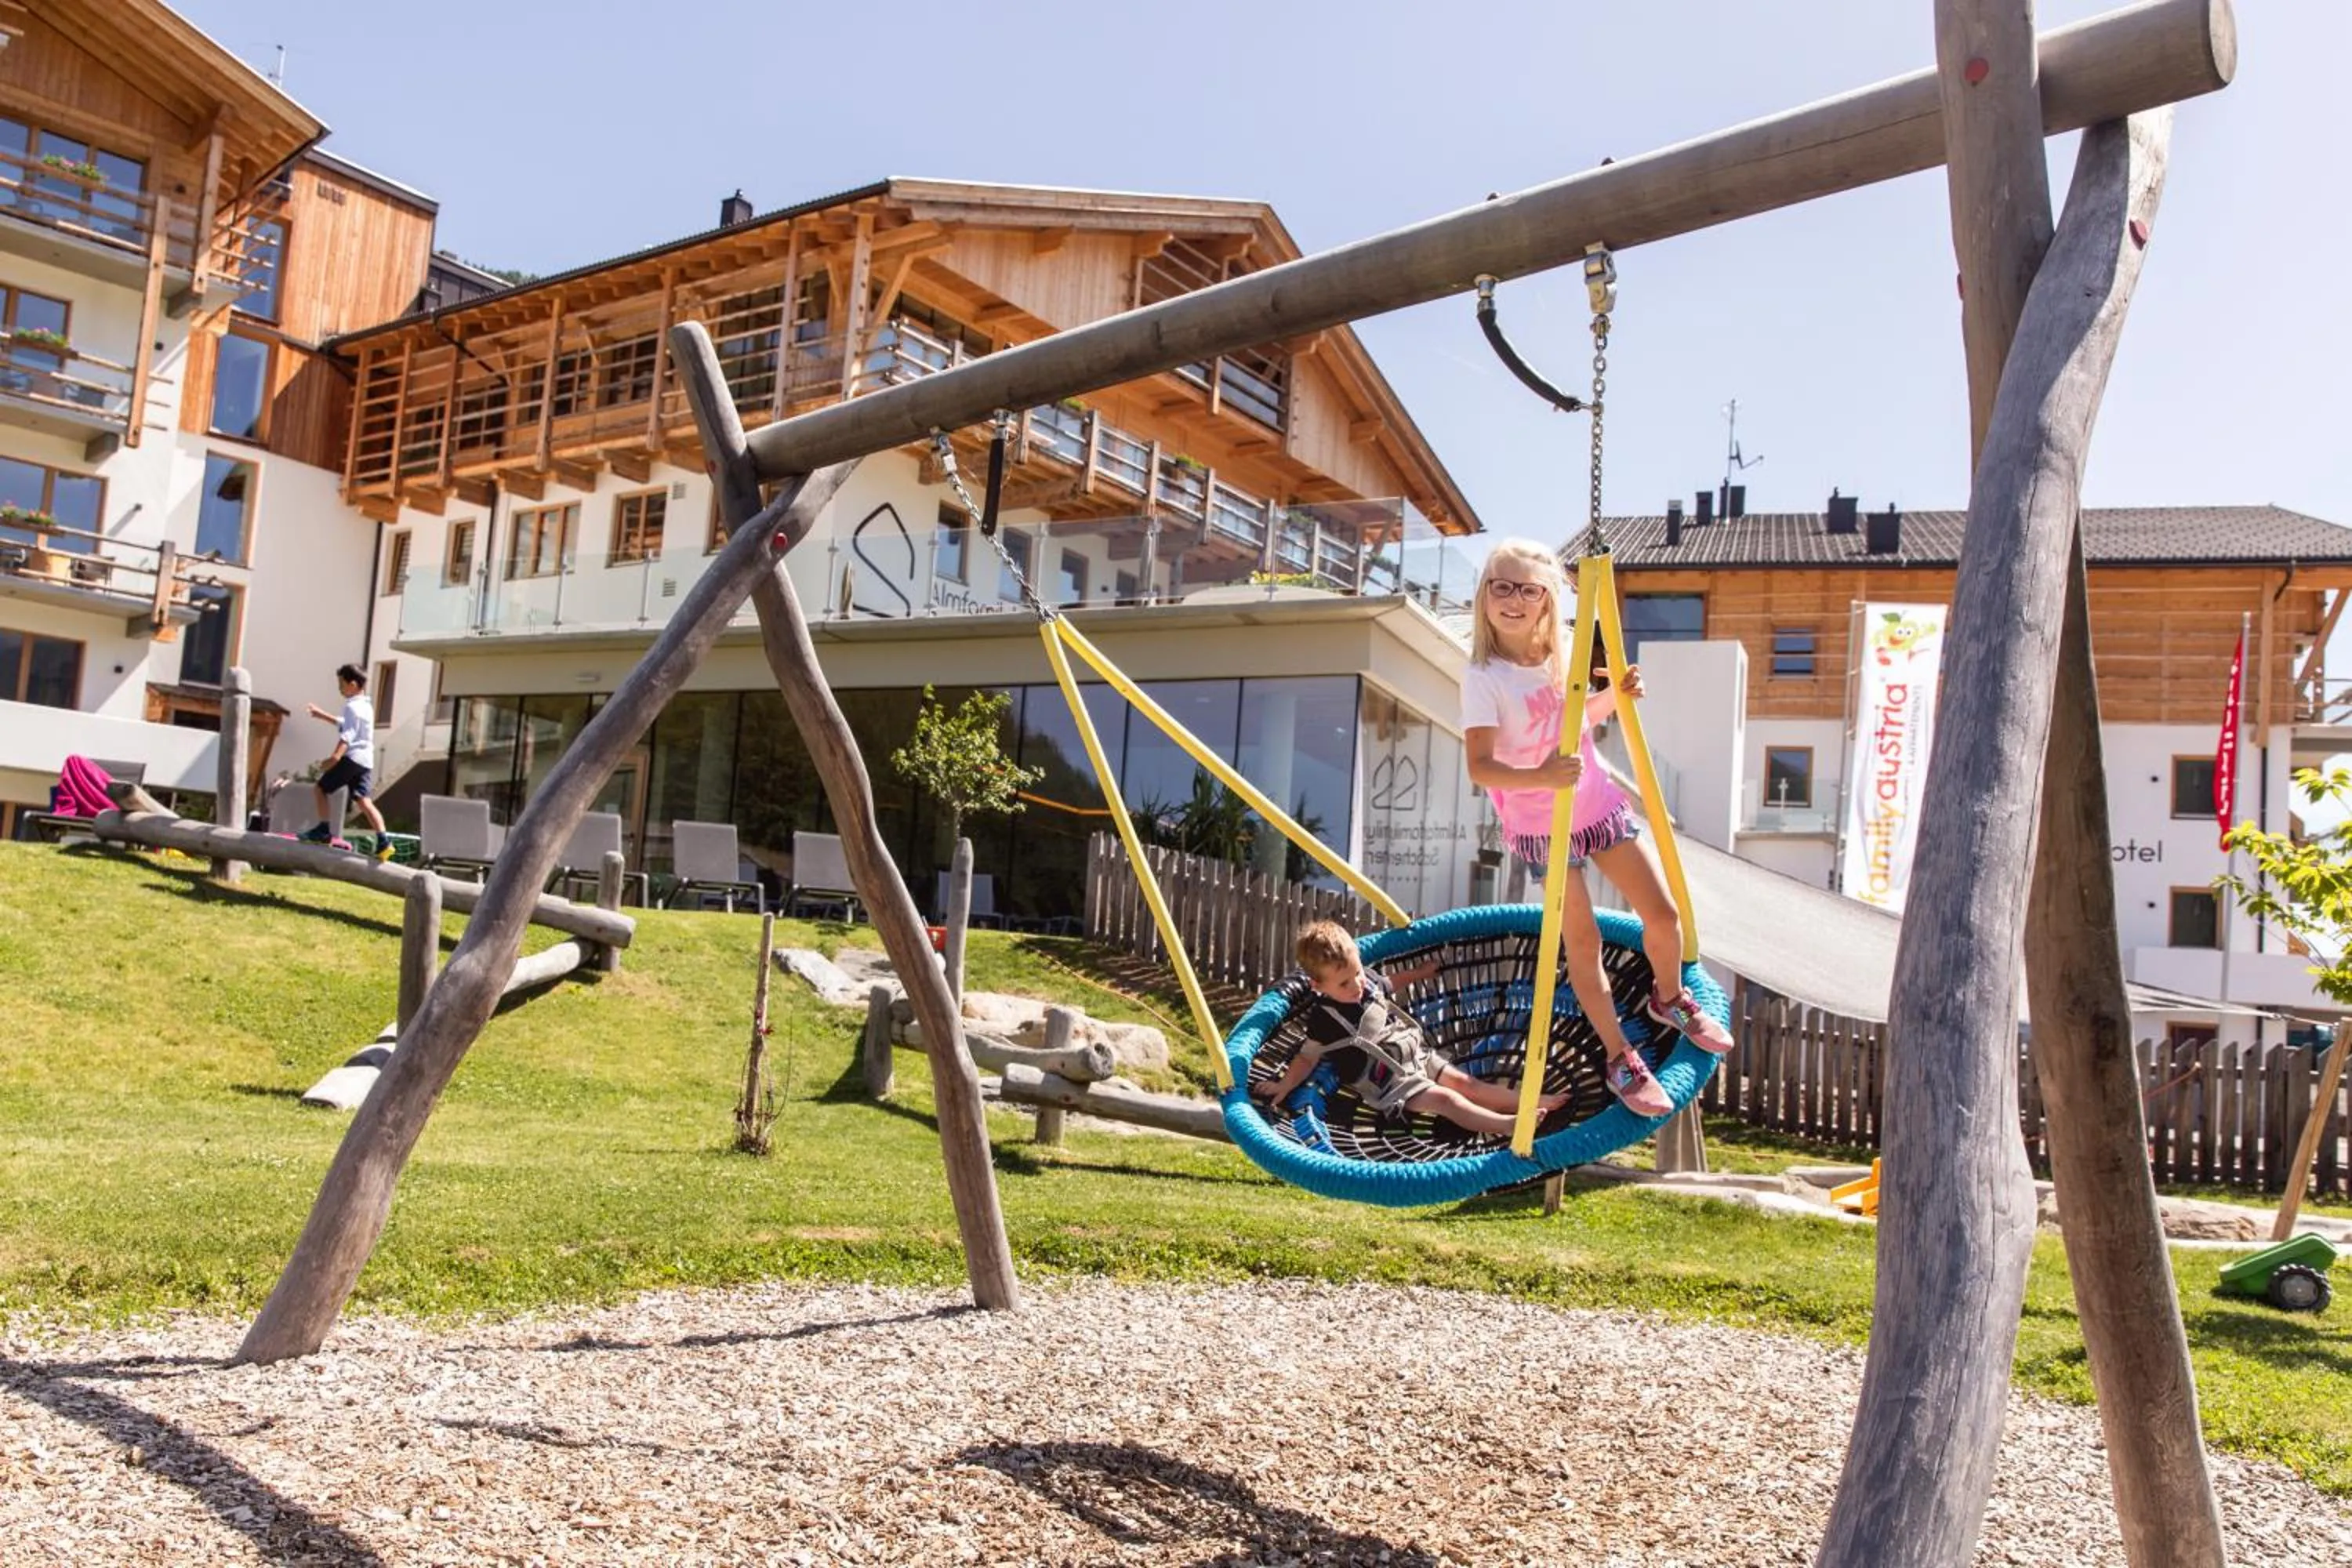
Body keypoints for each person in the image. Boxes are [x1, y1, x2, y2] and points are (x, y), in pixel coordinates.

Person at [1461, 539, 1734, 1118]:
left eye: (1528, 589)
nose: (1513, 599)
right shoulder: (1484, 677)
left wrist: (1615, 696)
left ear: (1547, 600)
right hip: (1542, 827)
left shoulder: (1562, 656)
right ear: (1484, 595)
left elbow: (1573, 718)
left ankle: (1668, 997)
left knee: (1663, 915)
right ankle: (1619, 1057)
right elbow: (1480, 766)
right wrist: (1540, 776)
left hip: (1597, 806)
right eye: (1501, 586)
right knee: (1582, 943)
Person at [1253, 920, 1573, 1139]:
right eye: (1344, 983)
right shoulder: (1325, 1019)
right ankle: (1507, 1126)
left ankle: (1535, 1101)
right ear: (1318, 986)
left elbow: (1391, 982)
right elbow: (1307, 1057)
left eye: (1357, 972)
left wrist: (1420, 972)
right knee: (1446, 1100)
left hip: (1413, 1054)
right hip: (1388, 1083)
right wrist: (1284, 1085)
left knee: (1467, 1083)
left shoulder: (1368, 982)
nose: (1357, 985)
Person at [301, 663, 391, 859]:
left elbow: (348, 735)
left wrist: (335, 757)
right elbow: (347, 724)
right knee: (364, 801)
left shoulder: (351, 707)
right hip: (365, 761)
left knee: (320, 789)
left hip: (351, 758)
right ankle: (384, 842)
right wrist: (322, 715)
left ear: (352, 685)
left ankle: (323, 831)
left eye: (341, 684)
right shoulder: (366, 706)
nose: (339, 689)